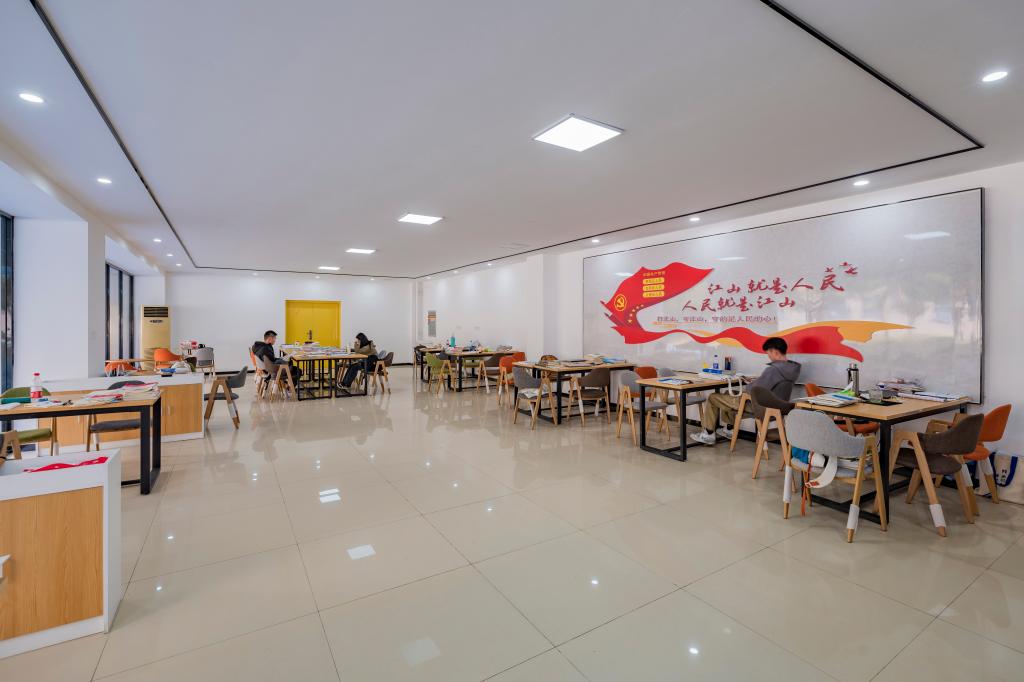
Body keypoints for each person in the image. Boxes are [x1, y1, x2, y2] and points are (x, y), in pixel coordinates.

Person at [690, 336, 801, 446]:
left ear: (774, 352)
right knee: (727, 393)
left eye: (769, 353)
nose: (769, 356)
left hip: (758, 407)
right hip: (776, 407)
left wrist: (749, 384)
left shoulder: (773, 370)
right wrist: (756, 381)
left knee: (713, 397)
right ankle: (729, 429)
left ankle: (708, 434)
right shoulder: (791, 369)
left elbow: (751, 390)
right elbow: (767, 386)